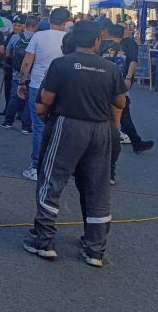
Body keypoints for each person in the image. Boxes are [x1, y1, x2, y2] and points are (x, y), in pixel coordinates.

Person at [23, 21, 127, 267]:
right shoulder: (110, 68)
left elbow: (45, 100)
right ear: (97, 41)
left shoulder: (62, 64)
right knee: (97, 187)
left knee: (52, 181)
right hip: (101, 129)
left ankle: (44, 240)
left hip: (68, 125)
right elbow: (120, 103)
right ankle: (95, 249)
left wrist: (46, 116)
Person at [17, 7, 69, 181]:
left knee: (39, 127)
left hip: (38, 85)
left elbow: (27, 62)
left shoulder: (38, 36)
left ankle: (36, 166)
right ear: (66, 22)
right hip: (62, 87)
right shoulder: (69, 39)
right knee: (59, 127)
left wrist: (22, 81)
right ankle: (57, 166)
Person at [98, 23, 154, 181]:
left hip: (100, 87)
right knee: (120, 114)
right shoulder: (126, 46)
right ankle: (132, 143)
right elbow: (132, 62)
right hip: (118, 87)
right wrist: (128, 79)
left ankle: (134, 141)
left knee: (121, 114)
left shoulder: (102, 45)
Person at [2, 16, 39, 133]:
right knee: (29, 100)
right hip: (32, 74)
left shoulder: (15, 37)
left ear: (25, 25)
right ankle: (26, 126)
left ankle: (8, 121)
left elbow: (7, 54)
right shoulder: (38, 38)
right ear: (36, 26)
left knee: (14, 97)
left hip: (17, 72)